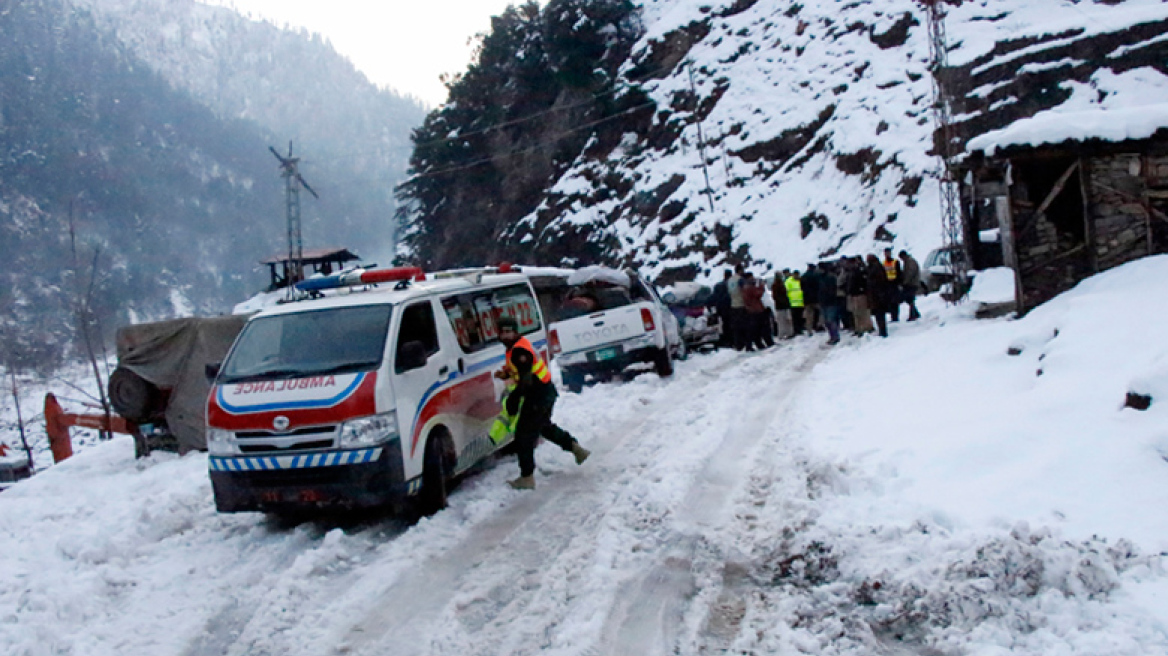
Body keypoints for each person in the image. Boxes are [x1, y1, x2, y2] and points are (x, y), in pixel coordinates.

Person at [495, 316, 590, 490]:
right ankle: (576, 448)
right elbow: (524, 371)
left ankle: (527, 477)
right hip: (545, 393)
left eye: (510, 331)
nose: (506, 335)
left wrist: (514, 399)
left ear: (516, 332)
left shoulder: (519, 351)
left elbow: (526, 381)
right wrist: (507, 375)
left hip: (537, 396)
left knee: (524, 435)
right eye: (503, 332)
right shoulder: (516, 347)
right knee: (543, 427)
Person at [741, 272, 774, 351]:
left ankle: (758, 343)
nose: (753, 279)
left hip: (753, 310)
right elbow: (757, 294)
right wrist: (761, 287)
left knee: (755, 329)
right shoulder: (749, 287)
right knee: (761, 328)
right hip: (755, 310)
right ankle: (764, 342)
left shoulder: (746, 287)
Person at [845, 256, 873, 335]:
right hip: (854, 294)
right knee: (856, 313)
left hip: (860, 294)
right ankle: (858, 328)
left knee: (863, 312)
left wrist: (862, 289)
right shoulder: (851, 272)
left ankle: (867, 327)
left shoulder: (859, 271)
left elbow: (864, 281)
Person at [866, 254, 892, 338]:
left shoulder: (876, 268)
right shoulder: (876, 267)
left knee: (879, 314)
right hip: (877, 295)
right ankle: (882, 330)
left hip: (878, 295)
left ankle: (883, 331)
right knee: (879, 314)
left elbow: (879, 282)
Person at [818, 262, 844, 345]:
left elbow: (833, 290)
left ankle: (835, 336)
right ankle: (832, 336)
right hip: (824, 302)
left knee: (831, 320)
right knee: (827, 321)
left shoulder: (830, 277)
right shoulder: (820, 278)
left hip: (831, 302)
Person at [708, 270, 733, 348]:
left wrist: (711, 307)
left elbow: (713, 297)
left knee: (725, 324)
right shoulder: (731, 285)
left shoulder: (718, 286)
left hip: (721, 308)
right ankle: (733, 340)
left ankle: (727, 340)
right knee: (732, 324)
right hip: (731, 307)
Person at [899, 250, 922, 321]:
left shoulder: (910, 262)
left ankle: (913, 314)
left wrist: (905, 282)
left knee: (910, 298)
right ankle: (915, 313)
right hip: (911, 283)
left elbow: (910, 273)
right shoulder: (908, 262)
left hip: (912, 284)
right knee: (909, 299)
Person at [727, 264, 746, 350]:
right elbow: (744, 291)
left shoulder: (730, 280)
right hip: (741, 304)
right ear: (740, 270)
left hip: (733, 304)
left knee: (736, 327)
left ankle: (737, 344)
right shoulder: (740, 280)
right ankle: (743, 343)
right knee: (744, 325)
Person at [771, 270, 792, 339]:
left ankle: (788, 333)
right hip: (781, 305)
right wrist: (783, 301)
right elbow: (775, 296)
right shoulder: (775, 285)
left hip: (783, 305)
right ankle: (782, 334)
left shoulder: (781, 283)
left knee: (786, 320)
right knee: (782, 321)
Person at [882, 248, 902, 321]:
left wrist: (898, 282)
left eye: (888, 253)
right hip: (887, 285)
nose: (887, 254)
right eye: (885, 253)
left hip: (894, 284)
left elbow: (899, 273)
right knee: (890, 301)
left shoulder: (895, 262)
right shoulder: (883, 263)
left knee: (895, 301)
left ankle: (895, 316)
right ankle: (892, 316)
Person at [785, 270, 806, 336]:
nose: (796, 276)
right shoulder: (788, 281)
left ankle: (801, 329)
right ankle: (797, 330)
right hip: (793, 303)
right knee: (795, 318)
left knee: (801, 317)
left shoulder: (801, 280)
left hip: (801, 302)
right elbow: (785, 291)